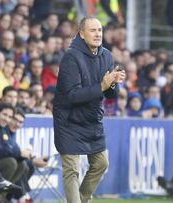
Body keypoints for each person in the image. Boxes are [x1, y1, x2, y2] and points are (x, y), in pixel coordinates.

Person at [53, 17, 125, 203]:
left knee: (101, 163)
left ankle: (82, 198)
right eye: (92, 30)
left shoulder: (107, 56)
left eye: (99, 30)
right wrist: (103, 85)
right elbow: (72, 96)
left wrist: (113, 83)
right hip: (68, 121)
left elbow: (110, 95)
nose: (98, 34)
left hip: (92, 120)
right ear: (81, 34)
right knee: (72, 170)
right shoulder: (71, 57)